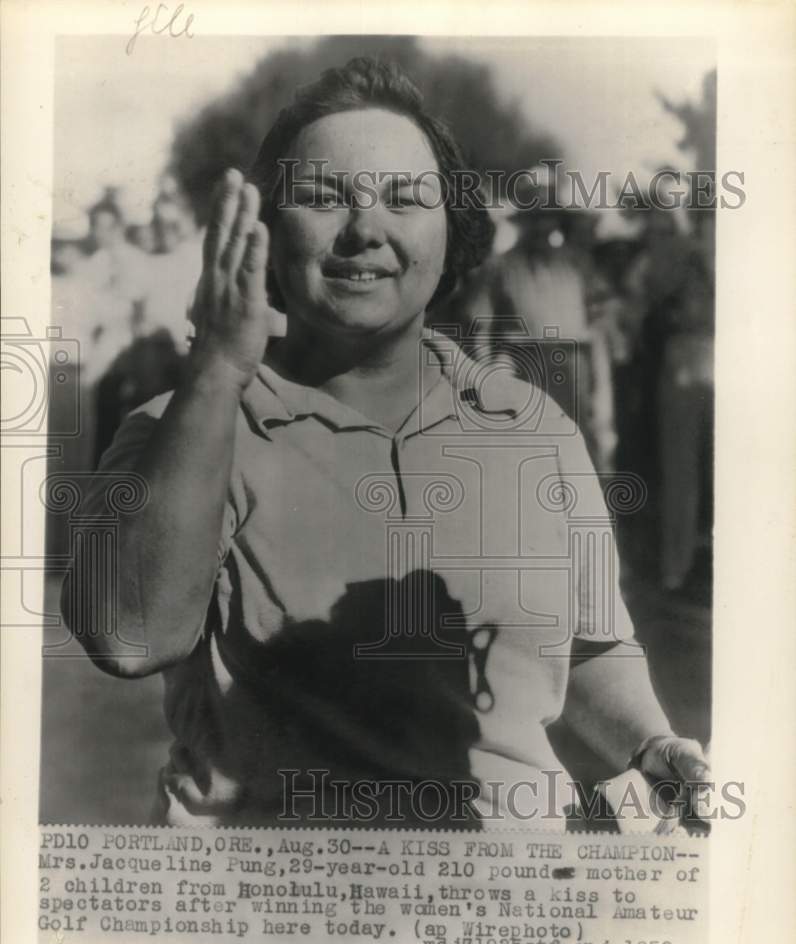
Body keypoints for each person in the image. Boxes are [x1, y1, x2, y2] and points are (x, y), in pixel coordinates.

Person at [64, 57, 710, 829]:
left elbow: (592, 647)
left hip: (508, 897)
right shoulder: (182, 424)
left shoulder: (534, 428)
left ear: (453, 230)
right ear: (265, 230)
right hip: (270, 911)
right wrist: (216, 375)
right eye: (323, 198)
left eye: (406, 198)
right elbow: (127, 637)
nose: (366, 229)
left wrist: (650, 743)